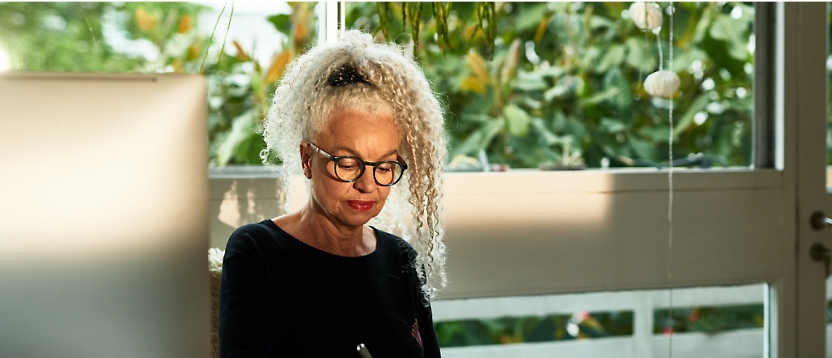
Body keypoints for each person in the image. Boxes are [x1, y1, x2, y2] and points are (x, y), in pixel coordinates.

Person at [219, 30, 448, 358]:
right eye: (348, 162)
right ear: (307, 159)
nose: (367, 184)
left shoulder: (402, 260)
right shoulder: (257, 251)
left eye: (384, 167)